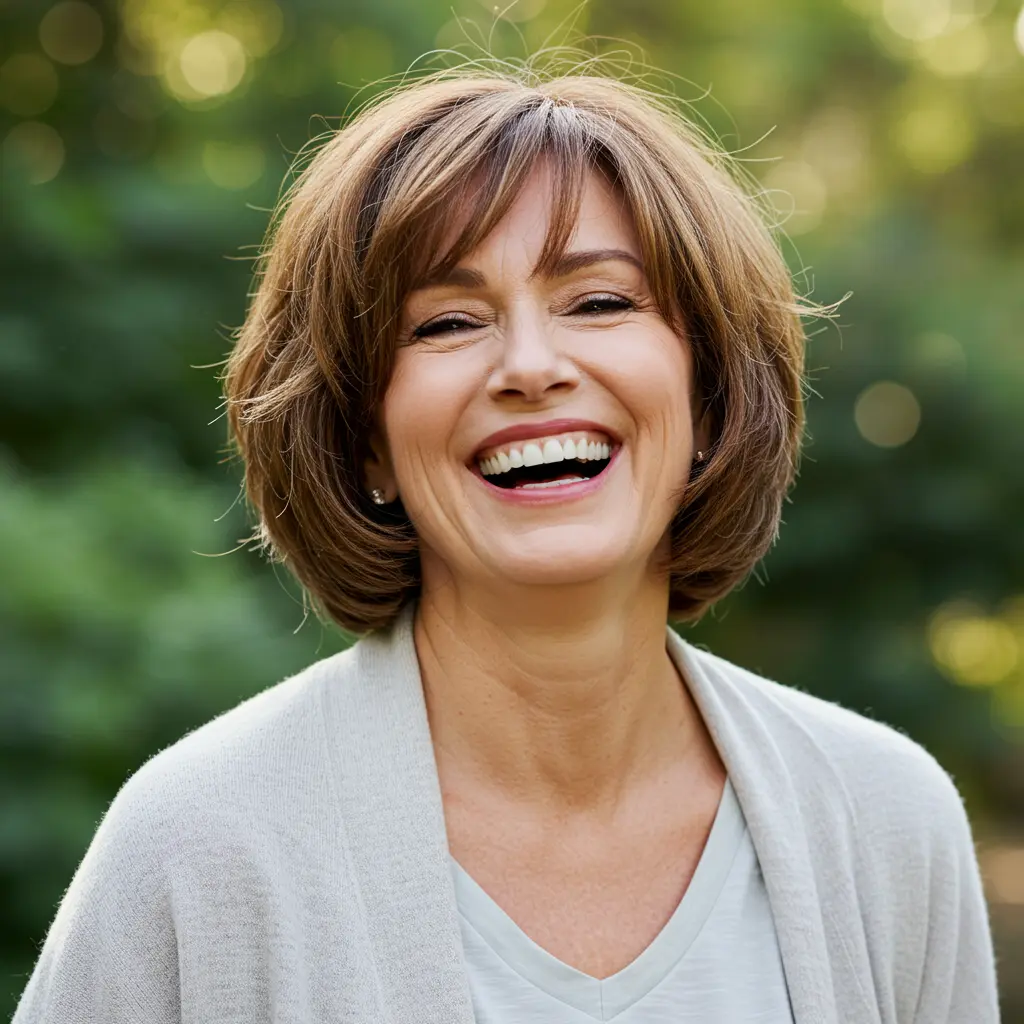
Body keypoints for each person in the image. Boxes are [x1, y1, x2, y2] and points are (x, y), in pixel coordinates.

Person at [14, 62, 1000, 1024]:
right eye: (446, 321)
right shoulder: (197, 848)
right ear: (367, 441)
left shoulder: (885, 821)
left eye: (601, 301)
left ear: (708, 396)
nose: (530, 366)